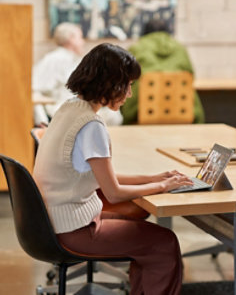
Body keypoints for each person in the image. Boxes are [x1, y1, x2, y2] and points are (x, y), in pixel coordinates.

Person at [33, 43, 193, 295]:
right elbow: (114, 193)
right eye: (127, 85)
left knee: (148, 236)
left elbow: (98, 177)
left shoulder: (69, 108)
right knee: (164, 242)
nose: (129, 93)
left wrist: (154, 178)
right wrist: (163, 187)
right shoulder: (91, 125)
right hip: (72, 230)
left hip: (52, 221)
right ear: (110, 84)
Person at [32, 22, 123, 126]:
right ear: (71, 39)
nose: (83, 42)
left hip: (81, 108)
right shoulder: (52, 60)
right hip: (64, 111)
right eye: (80, 38)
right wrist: (41, 122)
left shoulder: (76, 59)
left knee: (113, 114)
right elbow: (34, 90)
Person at [121, 19, 205, 124]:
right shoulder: (180, 48)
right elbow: (191, 75)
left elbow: (123, 80)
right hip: (181, 108)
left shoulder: (136, 48)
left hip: (141, 110)